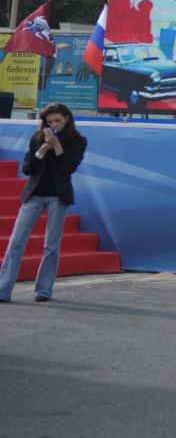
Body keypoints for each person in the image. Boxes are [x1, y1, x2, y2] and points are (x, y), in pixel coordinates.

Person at [2, 104, 88, 303]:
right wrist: (43, 147)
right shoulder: (37, 137)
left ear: (66, 118)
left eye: (57, 120)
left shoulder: (78, 141)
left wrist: (57, 146)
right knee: (16, 242)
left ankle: (43, 290)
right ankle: (3, 289)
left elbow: (67, 169)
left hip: (58, 197)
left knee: (51, 245)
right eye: (49, 122)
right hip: (34, 195)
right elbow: (27, 168)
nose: (53, 125)